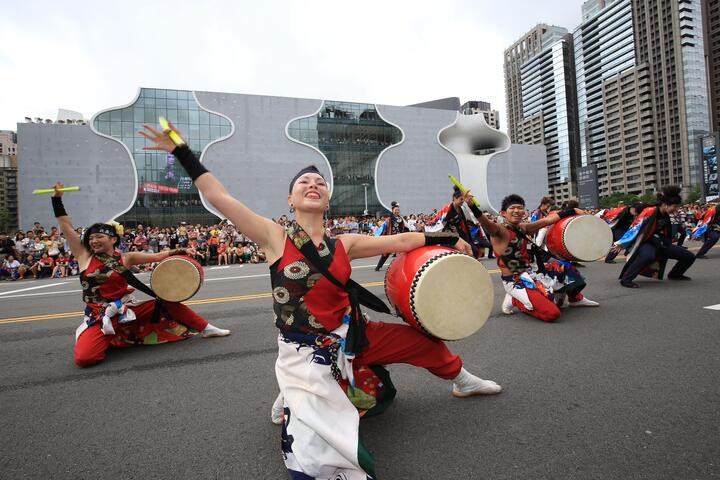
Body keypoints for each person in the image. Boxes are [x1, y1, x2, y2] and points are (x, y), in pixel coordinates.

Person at [140, 121, 501, 480]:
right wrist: (181, 152)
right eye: (303, 183)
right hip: (303, 352)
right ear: (291, 199)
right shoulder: (273, 237)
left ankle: (463, 380)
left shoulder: (345, 243)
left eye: (320, 184)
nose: (313, 186)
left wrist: (449, 237)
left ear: (326, 199)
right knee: (324, 454)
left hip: (351, 335)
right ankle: (293, 394)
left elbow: (403, 242)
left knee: (421, 343)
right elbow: (220, 197)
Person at [49, 182, 230, 368]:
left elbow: (158, 256)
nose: (94, 241)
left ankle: (206, 328)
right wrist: (56, 199)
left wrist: (180, 250)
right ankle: (111, 337)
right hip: (99, 315)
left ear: (113, 239)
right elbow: (66, 226)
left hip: (126, 310)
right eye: (91, 238)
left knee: (167, 302)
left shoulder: (127, 257)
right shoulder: (84, 256)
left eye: (99, 237)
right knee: (85, 359)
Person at [471, 193, 598, 321]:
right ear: (503, 213)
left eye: (520, 208)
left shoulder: (524, 228)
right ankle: (516, 300)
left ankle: (575, 299)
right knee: (552, 313)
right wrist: (472, 206)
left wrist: (573, 210)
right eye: (512, 208)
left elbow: (548, 220)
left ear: (524, 212)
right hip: (515, 280)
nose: (516, 211)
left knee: (567, 269)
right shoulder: (498, 231)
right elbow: (485, 222)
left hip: (532, 272)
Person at [612, 186, 696, 288]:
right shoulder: (650, 211)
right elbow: (635, 227)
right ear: (665, 205)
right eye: (675, 206)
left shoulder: (665, 214)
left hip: (660, 242)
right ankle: (626, 279)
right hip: (645, 241)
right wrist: (622, 243)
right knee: (648, 255)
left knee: (689, 256)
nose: (676, 209)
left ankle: (675, 274)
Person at [373, 201, 409, 271]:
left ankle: (402, 267)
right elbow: (383, 228)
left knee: (402, 253)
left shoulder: (401, 219)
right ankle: (378, 267)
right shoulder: (389, 219)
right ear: (392, 210)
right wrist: (378, 235)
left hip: (399, 239)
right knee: (385, 254)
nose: (397, 211)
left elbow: (406, 227)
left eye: (398, 210)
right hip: (391, 238)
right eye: (395, 210)